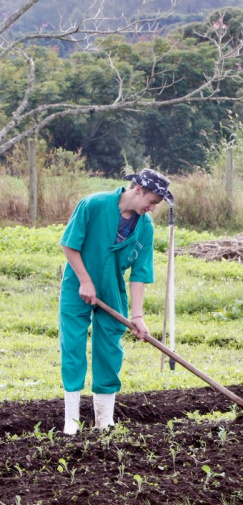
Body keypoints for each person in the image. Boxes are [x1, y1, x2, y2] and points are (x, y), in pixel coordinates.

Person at [59, 169, 174, 434]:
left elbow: (140, 275)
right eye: (153, 201)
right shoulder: (93, 204)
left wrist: (137, 317)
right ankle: (71, 422)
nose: (153, 208)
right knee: (73, 347)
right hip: (77, 283)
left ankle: (104, 421)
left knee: (110, 348)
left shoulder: (144, 228)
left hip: (113, 289)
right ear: (138, 190)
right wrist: (86, 282)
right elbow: (69, 245)